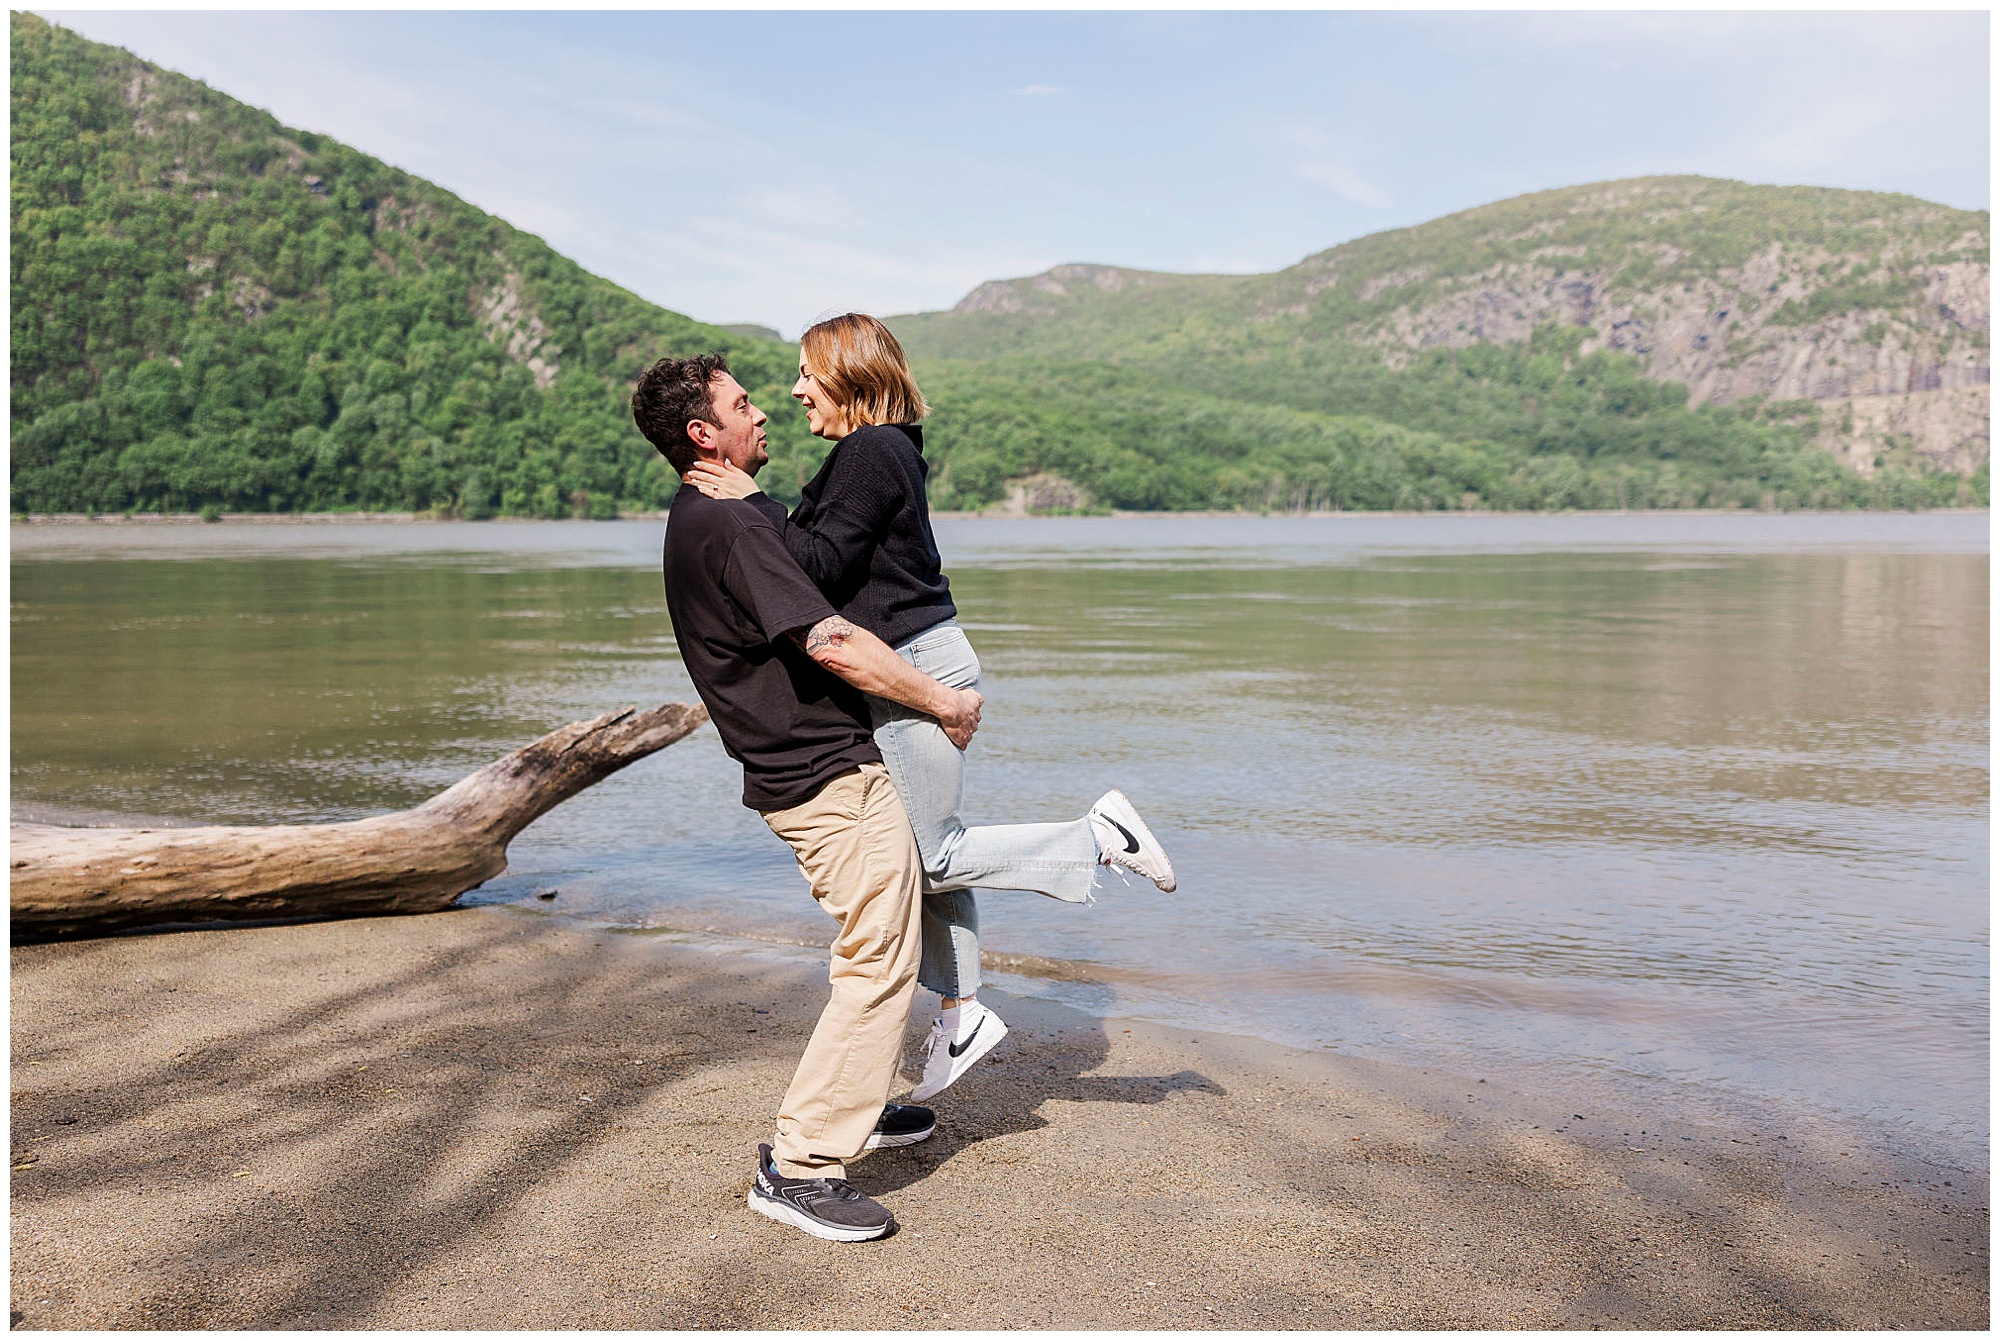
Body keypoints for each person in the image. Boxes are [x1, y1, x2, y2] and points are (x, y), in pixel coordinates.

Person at [684, 312, 1176, 1104]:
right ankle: (961, 1012)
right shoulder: (870, 454)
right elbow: (828, 559)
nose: (795, 389)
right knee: (922, 852)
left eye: (808, 372)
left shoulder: (869, 453)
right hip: (910, 659)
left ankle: (1095, 836)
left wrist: (752, 501)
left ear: (848, 374)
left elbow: (814, 563)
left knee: (936, 854)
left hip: (914, 663)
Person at [633, 352, 981, 1243]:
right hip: (823, 773)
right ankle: (800, 1164)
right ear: (703, 434)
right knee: (877, 958)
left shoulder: (718, 513)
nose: (766, 411)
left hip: (807, 768)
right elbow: (829, 639)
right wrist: (941, 699)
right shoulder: (734, 528)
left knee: (884, 937)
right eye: (743, 402)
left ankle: (852, 1109)